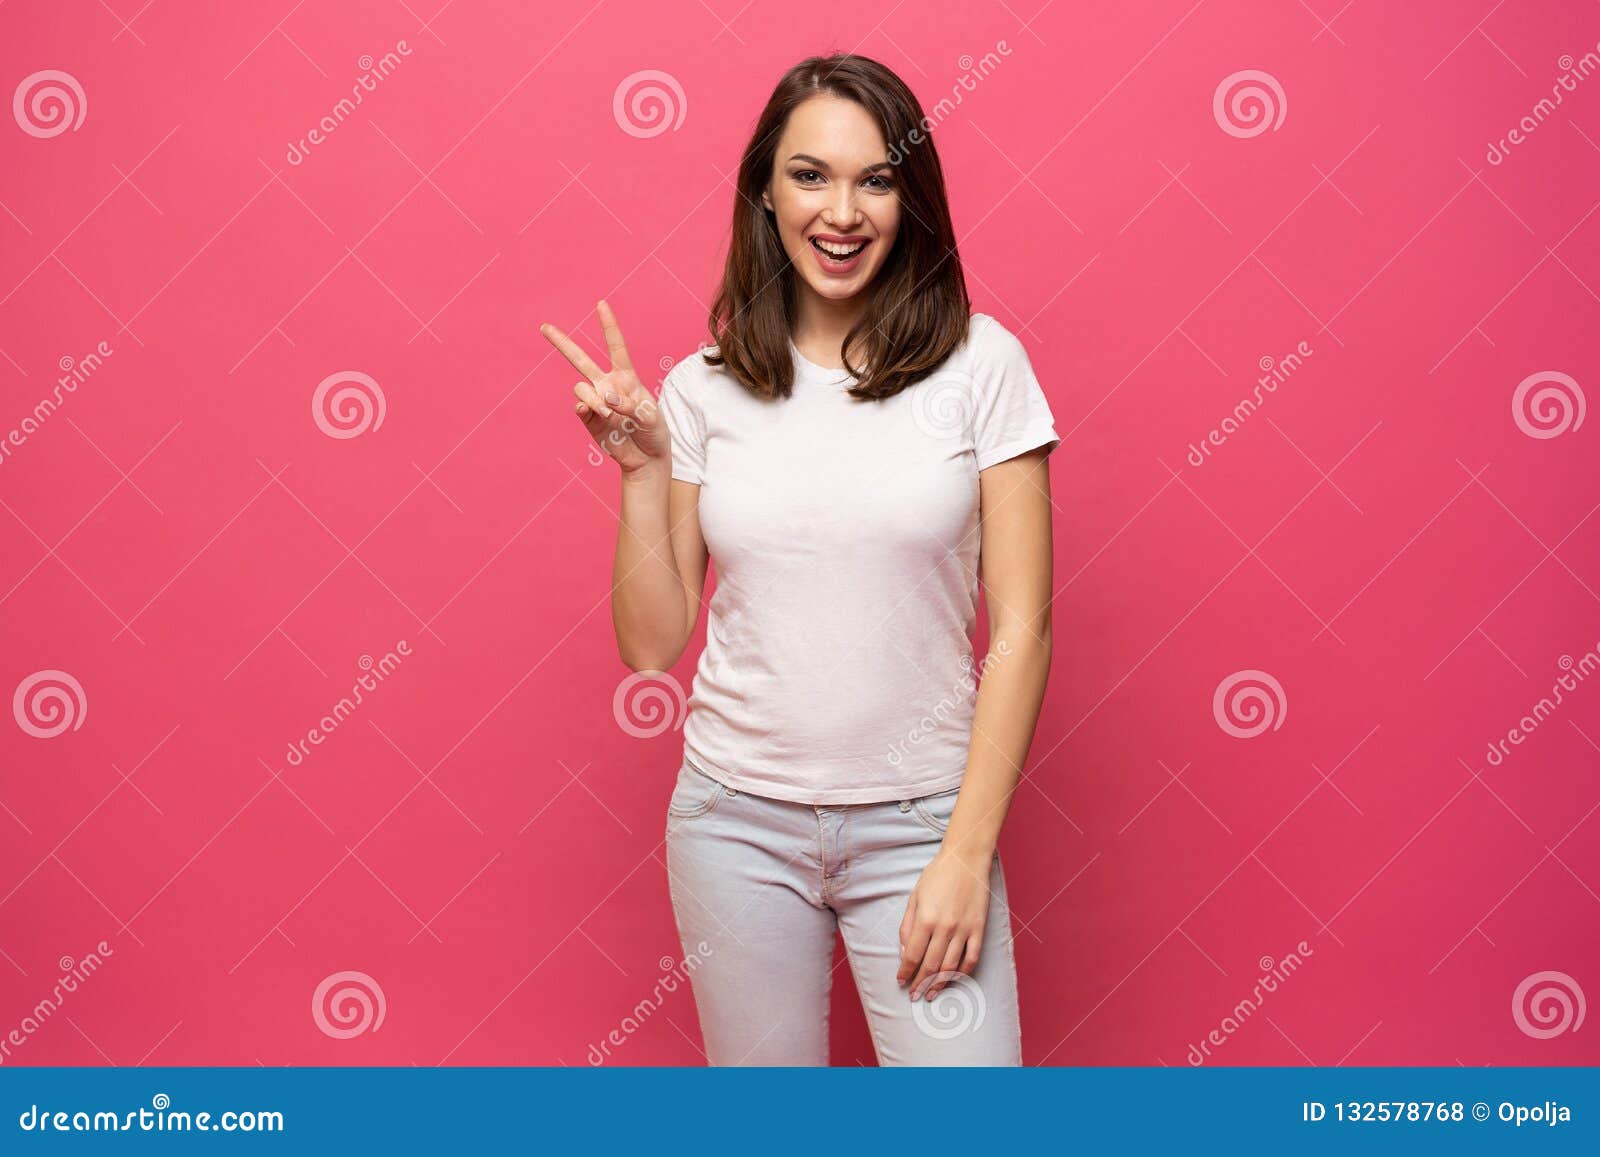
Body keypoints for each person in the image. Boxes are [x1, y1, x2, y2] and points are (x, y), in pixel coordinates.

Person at [540, 52, 1058, 1066]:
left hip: (922, 821)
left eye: (875, 179)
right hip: (735, 822)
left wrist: (964, 851)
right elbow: (652, 643)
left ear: (910, 199)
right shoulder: (699, 390)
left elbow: (1026, 626)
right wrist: (642, 476)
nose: (843, 210)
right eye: (811, 174)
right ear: (765, 192)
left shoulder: (982, 364)